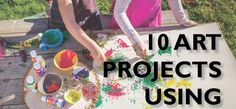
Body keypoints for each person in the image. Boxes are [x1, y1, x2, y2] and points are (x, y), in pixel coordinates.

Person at [48, 0, 197, 63]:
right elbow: (70, 23)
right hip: (66, 26)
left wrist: (182, 19)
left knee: (96, 36)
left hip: (90, 14)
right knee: (75, 50)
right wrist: (93, 46)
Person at [110, 0, 198, 58]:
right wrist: (135, 39)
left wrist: (182, 19)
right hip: (127, 26)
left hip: (151, 22)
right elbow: (119, 11)